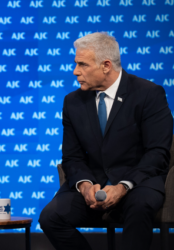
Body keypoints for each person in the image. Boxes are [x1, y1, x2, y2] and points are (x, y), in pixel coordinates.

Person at [39, 32, 173, 250]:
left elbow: (157, 153)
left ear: (106, 65)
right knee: (50, 217)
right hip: (95, 182)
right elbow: (72, 157)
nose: (75, 72)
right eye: (76, 64)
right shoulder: (72, 102)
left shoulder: (149, 94)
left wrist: (122, 187)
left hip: (138, 182)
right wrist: (85, 186)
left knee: (140, 207)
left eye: (82, 65)